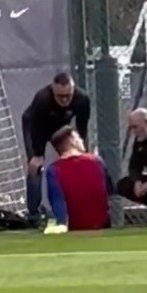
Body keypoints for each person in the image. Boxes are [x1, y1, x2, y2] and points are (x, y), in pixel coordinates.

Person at [21, 72, 91, 219]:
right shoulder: (42, 99)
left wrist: (81, 148)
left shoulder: (82, 99)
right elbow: (34, 127)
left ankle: (76, 207)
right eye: (60, 96)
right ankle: (33, 213)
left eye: (68, 96)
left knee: (76, 162)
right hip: (37, 127)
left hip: (60, 127)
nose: (65, 100)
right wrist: (36, 154)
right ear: (53, 90)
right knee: (36, 167)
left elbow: (82, 128)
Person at [42, 125, 111, 233]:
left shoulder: (54, 170)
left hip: (75, 229)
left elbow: (57, 202)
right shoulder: (97, 161)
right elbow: (109, 188)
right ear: (71, 141)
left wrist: (62, 224)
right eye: (78, 138)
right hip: (102, 226)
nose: (81, 140)